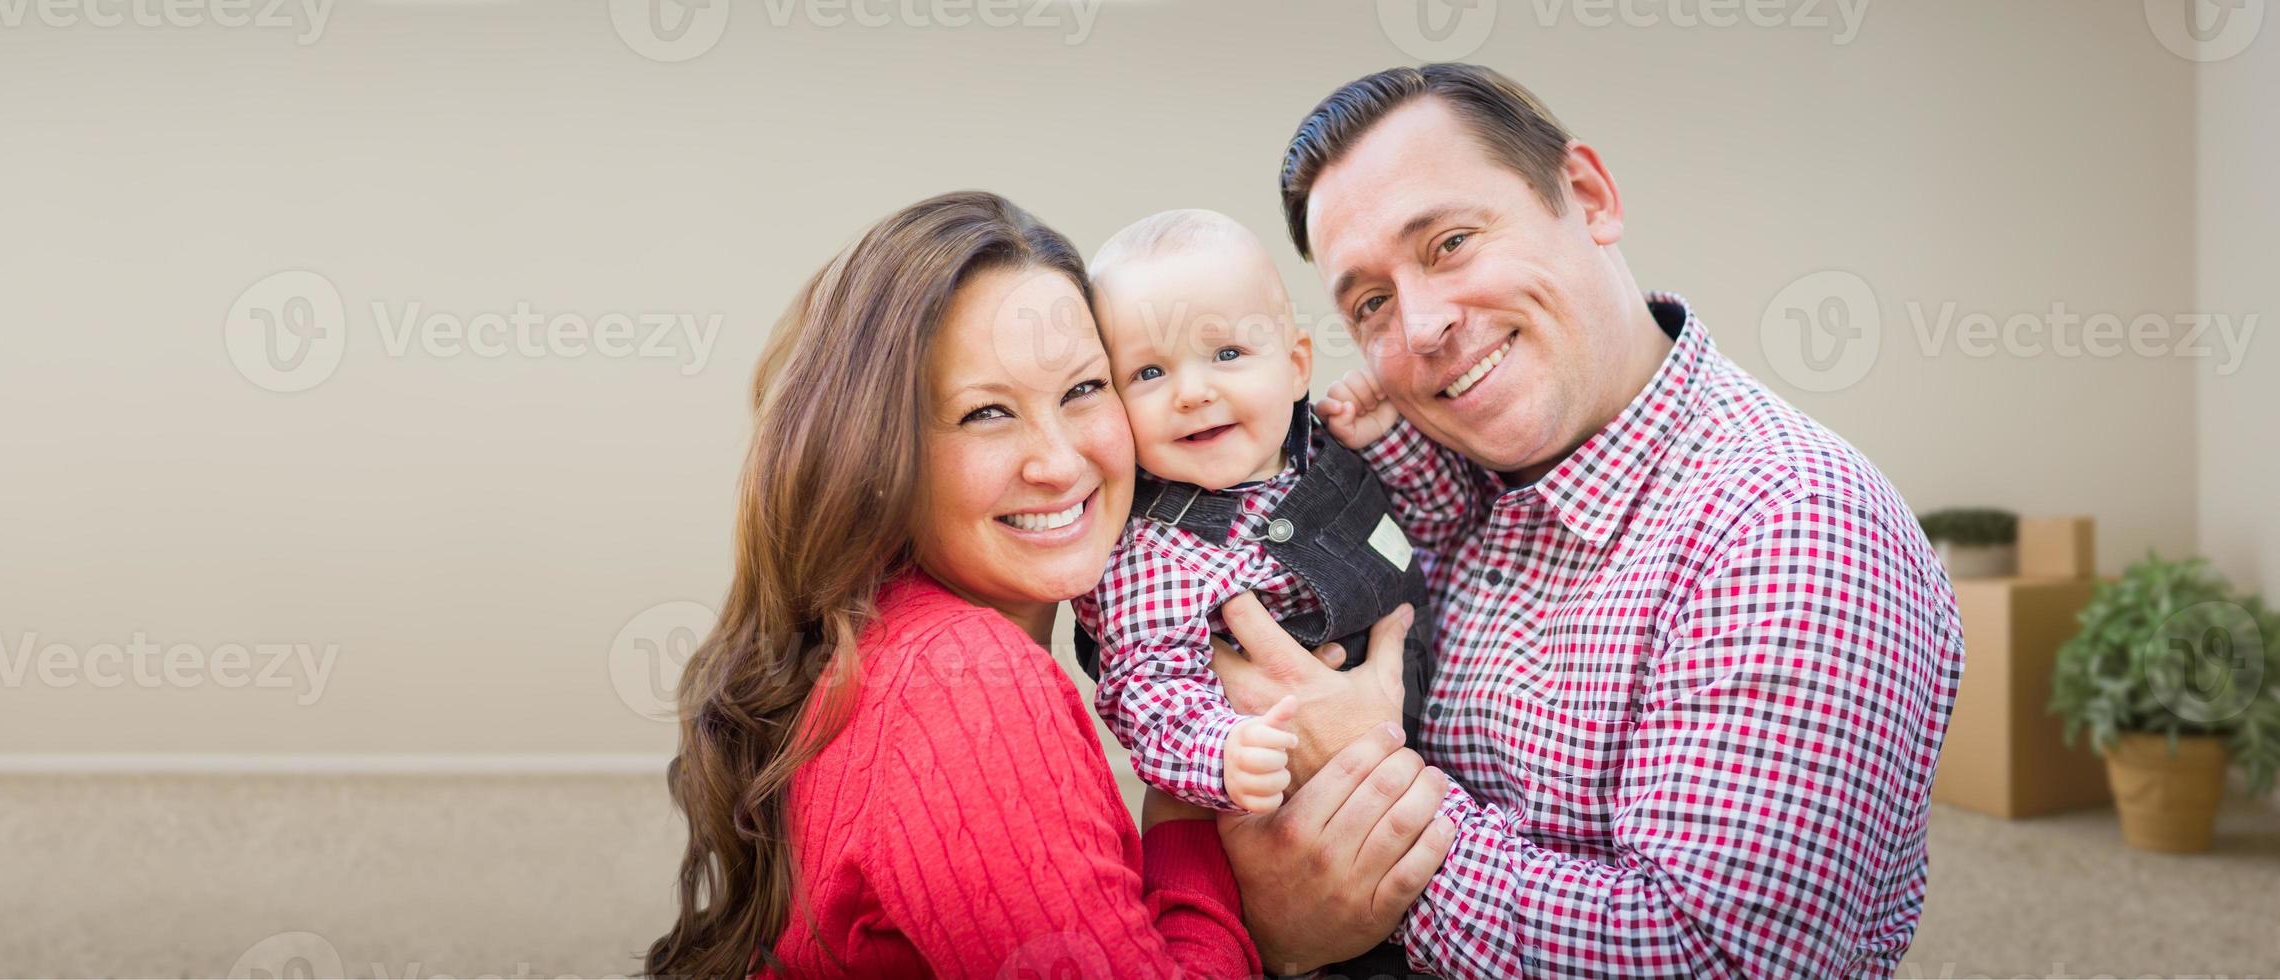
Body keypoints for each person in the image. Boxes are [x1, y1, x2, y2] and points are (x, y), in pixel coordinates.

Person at [1219, 63, 1967, 977]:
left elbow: (1711, 960)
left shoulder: (1792, 524)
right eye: (1370, 302)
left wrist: (1362, 811)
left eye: (1450, 242)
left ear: (1588, 195)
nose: (1419, 327)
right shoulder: (1438, 482)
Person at [642, 190, 1450, 979]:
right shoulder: (967, 681)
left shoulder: (891, 644)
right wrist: (1257, 912)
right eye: (985, 413)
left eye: (1082, 390)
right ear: (880, 454)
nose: (1059, 463)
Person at [1070, 208, 1441, 821]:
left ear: (1296, 365)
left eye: (1226, 353)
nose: (1192, 392)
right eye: (1149, 372)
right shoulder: (1152, 552)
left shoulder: (1326, 449)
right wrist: (1222, 752)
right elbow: (1150, 693)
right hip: (1298, 802)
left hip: (1439, 742)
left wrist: (1386, 443)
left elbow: (1437, 529)